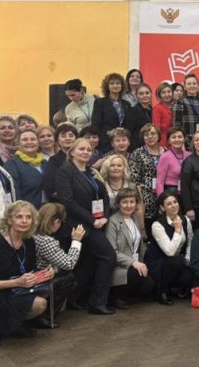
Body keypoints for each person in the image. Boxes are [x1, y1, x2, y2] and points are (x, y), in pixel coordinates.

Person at [0, 201, 53, 341]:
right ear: (9, 220)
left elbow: (28, 270)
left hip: (15, 290)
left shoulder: (29, 242)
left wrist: (45, 272)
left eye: (28, 217)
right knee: (39, 304)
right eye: (19, 217)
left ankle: (9, 325)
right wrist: (16, 282)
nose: (24, 221)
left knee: (45, 293)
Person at [53, 138, 116, 315]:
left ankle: (75, 298)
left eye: (89, 150)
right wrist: (92, 220)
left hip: (96, 223)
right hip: (78, 225)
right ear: (72, 152)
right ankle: (97, 302)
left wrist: (104, 217)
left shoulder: (91, 172)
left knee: (87, 263)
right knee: (108, 256)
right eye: (81, 149)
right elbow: (68, 201)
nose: (86, 152)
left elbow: (104, 197)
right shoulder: (65, 172)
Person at [33, 202, 84, 326]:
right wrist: (76, 241)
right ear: (56, 221)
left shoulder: (32, 234)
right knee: (68, 277)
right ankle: (46, 317)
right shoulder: (46, 241)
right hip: (39, 279)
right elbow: (69, 263)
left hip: (33, 274)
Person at [106, 189, 154, 308]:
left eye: (132, 202)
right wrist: (133, 263)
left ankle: (127, 294)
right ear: (118, 204)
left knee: (149, 286)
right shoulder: (113, 222)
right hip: (118, 266)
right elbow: (112, 252)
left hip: (135, 263)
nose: (129, 205)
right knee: (135, 274)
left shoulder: (135, 219)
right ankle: (116, 297)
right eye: (125, 202)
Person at [145, 191, 193, 306]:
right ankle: (162, 291)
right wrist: (177, 230)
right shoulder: (157, 225)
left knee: (190, 274)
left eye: (175, 202)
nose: (173, 205)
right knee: (175, 260)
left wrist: (188, 259)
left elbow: (190, 242)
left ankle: (174, 288)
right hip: (158, 262)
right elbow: (170, 252)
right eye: (169, 204)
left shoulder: (185, 220)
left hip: (178, 261)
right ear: (162, 208)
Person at [128, 124, 165, 230]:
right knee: (148, 229)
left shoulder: (166, 152)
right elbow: (135, 180)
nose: (150, 136)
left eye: (153, 133)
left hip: (163, 196)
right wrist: (140, 202)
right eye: (146, 134)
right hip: (145, 197)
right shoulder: (137, 153)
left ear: (158, 135)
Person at [4, 128, 48, 209]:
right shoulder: (12, 164)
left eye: (33, 139)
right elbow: (14, 191)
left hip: (47, 210)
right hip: (27, 211)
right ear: (18, 144)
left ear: (38, 142)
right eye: (25, 140)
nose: (29, 142)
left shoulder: (45, 163)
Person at [181, 131, 199, 229]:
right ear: (193, 143)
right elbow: (184, 186)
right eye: (196, 140)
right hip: (196, 204)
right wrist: (188, 208)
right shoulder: (189, 161)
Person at [42, 123, 78, 197]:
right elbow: (49, 188)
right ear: (57, 140)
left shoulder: (82, 157)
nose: (68, 138)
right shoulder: (54, 161)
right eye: (63, 136)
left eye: (71, 135)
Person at [156, 127, 190, 195]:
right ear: (169, 141)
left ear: (184, 139)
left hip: (187, 193)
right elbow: (159, 183)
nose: (177, 139)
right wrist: (162, 199)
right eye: (173, 137)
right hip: (170, 194)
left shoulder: (189, 156)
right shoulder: (165, 157)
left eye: (180, 137)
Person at [172, 74, 199, 145]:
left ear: (198, 85)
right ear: (184, 87)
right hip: (187, 141)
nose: (192, 86)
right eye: (189, 84)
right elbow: (176, 125)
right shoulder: (180, 102)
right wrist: (182, 141)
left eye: (194, 83)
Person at [125, 84, 153, 150]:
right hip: (137, 147)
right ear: (136, 96)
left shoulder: (152, 110)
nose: (145, 95)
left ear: (151, 94)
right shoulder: (132, 111)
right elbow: (128, 132)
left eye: (147, 93)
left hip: (151, 145)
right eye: (141, 94)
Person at [151, 82, 175, 148]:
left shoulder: (175, 106)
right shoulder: (157, 108)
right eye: (163, 92)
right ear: (160, 95)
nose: (167, 94)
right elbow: (157, 128)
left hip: (176, 139)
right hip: (164, 141)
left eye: (169, 92)